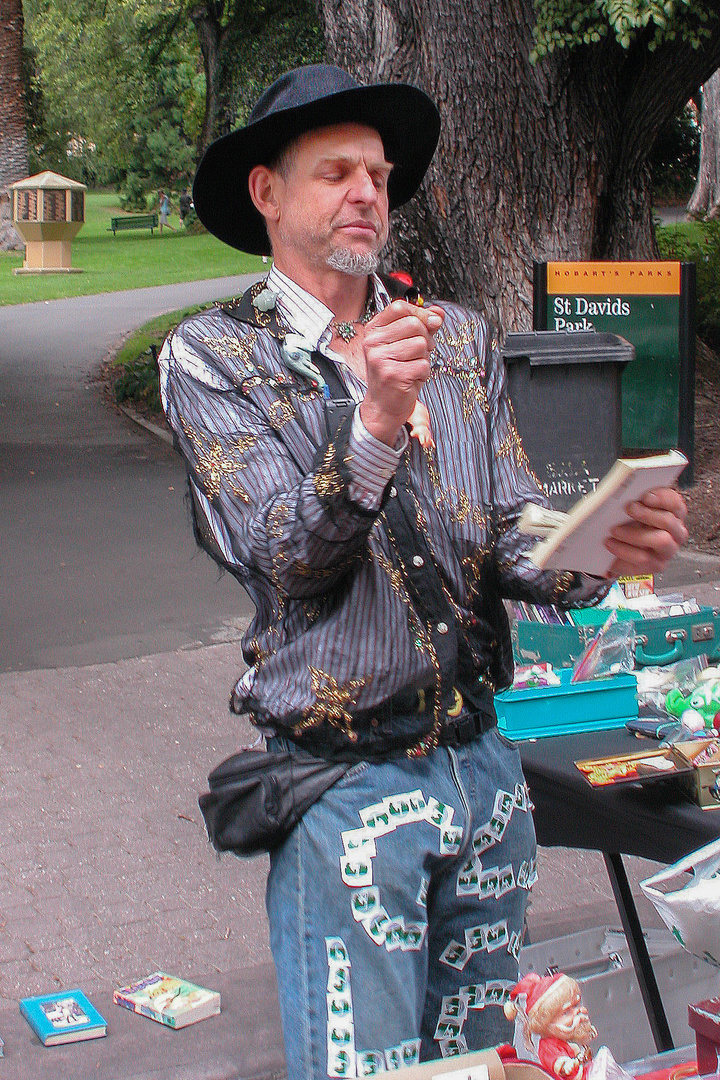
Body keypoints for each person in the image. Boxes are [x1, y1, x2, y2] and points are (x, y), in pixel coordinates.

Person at [158, 64, 688, 1079]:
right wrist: (376, 422)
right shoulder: (212, 357)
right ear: (268, 193)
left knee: (494, 1065)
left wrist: (594, 550)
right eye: (336, 172)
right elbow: (287, 554)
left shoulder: (457, 340)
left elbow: (503, 525)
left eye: (379, 173)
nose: (367, 192)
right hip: (349, 785)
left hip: (484, 772)